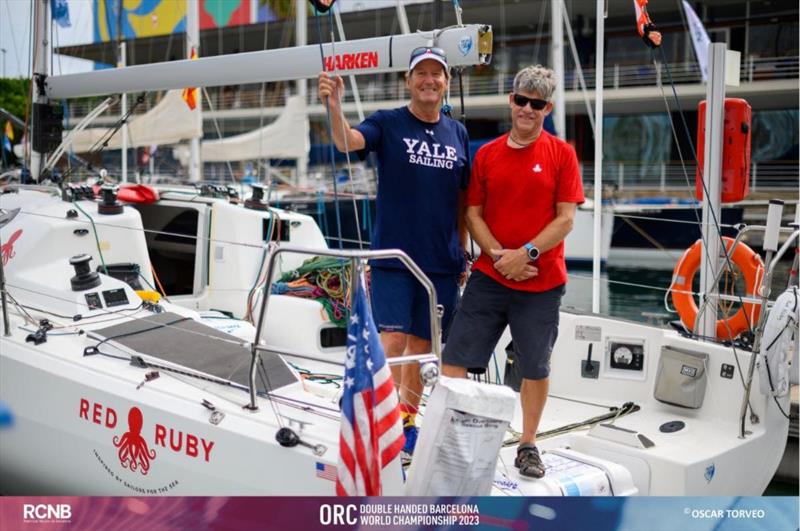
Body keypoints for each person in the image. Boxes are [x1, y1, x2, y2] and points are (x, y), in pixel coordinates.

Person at [317, 47, 470, 454]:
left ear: (446, 83)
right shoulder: (389, 123)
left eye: (436, 74)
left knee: (423, 347)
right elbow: (347, 141)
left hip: (442, 261)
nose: (429, 80)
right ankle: (366, 409)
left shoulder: (458, 133)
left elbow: (463, 199)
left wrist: (465, 252)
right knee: (394, 338)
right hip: (394, 258)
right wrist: (335, 104)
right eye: (421, 73)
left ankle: (404, 420)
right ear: (408, 80)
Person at [441, 65, 584, 478]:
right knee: (455, 359)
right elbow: (472, 213)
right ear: (511, 100)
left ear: (547, 108)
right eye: (521, 100)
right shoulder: (486, 155)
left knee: (535, 366)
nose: (527, 109)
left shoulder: (562, 154)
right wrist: (500, 256)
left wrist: (527, 254)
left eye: (536, 104)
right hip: (491, 274)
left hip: (541, 283)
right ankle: (456, 437)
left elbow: (566, 219)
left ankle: (528, 444)